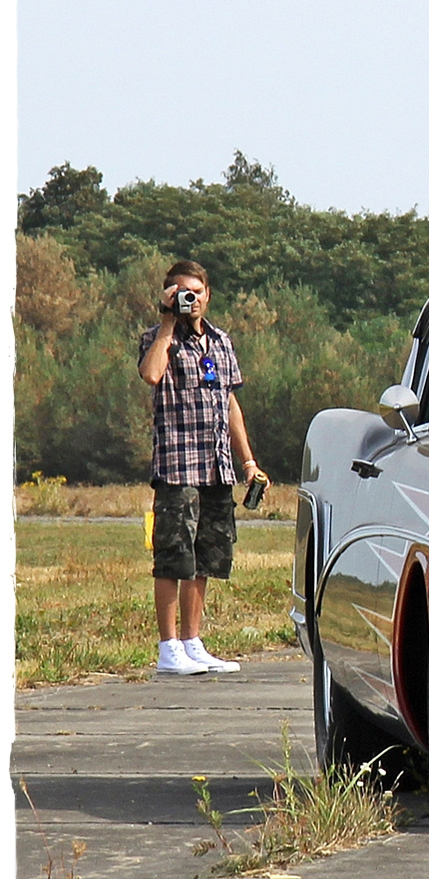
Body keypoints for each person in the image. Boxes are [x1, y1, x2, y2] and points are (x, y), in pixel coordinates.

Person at [137, 260, 264, 676]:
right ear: (168, 295)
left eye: (195, 291)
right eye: (179, 292)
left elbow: (230, 403)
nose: (190, 299)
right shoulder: (158, 339)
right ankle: (168, 647)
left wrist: (247, 460)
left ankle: (193, 641)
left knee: (205, 557)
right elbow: (151, 374)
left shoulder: (221, 342)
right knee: (173, 557)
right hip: (178, 464)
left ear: (208, 295)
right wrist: (167, 323)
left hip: (215, 466)